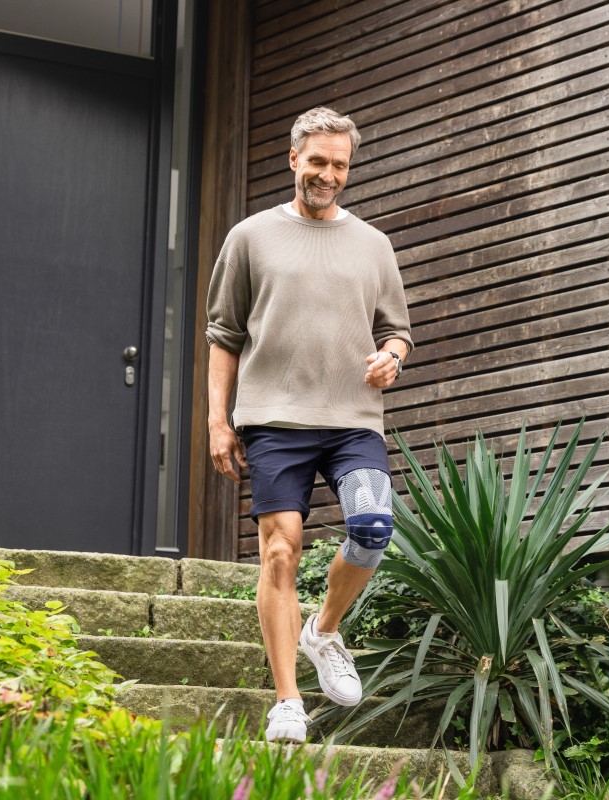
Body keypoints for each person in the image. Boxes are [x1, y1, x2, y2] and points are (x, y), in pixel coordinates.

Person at [205, 107, 413, 744]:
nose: (328, 174)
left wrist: (393, 358)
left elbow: (397, 329)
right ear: (293, 159)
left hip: (353, 419)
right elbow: (223, 334)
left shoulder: (373, 245)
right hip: (272, 418)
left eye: (340, 165)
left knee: (374, 527)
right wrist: (219, 421)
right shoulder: (249, 237)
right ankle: (289, 701)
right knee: (279, 550)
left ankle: (323, 630)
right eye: (318, 161)